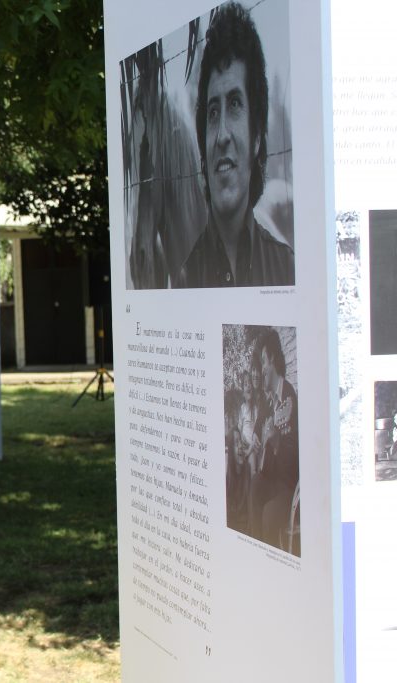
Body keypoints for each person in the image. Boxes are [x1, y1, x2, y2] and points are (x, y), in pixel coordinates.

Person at [177, 1, 294, 288]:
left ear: (256, 136)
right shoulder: (183, 281)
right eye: (213, 112)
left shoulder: (288, 269)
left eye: (235, 104)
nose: (221, 136)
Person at [249, 327, 298, 553]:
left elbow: (293, 467)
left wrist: (276, 443)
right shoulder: (269, 402)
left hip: (287, 486)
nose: (261, 370)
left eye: (264, 362)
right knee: (256, 483)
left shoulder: (289, 400)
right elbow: (259, 425)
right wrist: (257, 439)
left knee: (269, 514)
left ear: (274, 362)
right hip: (271, 479)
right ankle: (254, 548)